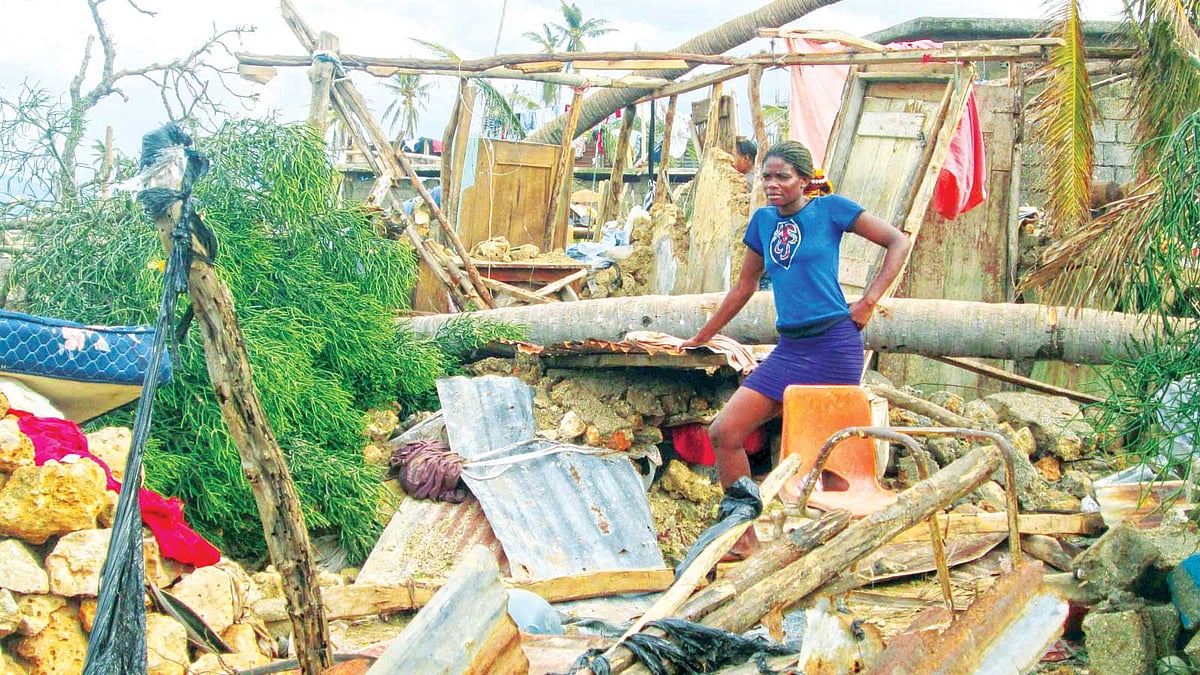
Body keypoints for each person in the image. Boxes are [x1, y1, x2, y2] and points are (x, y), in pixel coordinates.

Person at [680, 140, 911, 559]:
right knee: (725, 433)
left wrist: (869, 301)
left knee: (832, 458)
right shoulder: (762, 222)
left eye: (782, 177)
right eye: (767, 176)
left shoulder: (831, 210)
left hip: (834, 345)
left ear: (805, 180)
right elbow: (744, 287)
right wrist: (703, 334)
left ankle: (848, 549)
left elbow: (898, 241)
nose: (772, 184)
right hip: (789, 349)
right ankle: (743, 538)